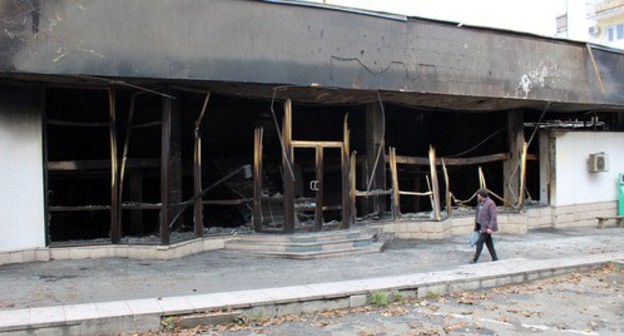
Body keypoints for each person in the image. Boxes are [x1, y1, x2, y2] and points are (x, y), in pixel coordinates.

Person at [470, 189, 498, 263]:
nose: (478, 197)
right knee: (489, 242)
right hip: (481, 226)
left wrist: (490, 227)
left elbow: (493, 216)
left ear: (482, 196)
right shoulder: (480, 203)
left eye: (478, 196)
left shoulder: (490, 203)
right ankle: (494, 257)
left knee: (480, 242)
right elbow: (478, 213)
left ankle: (475, 259)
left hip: (486, 227)